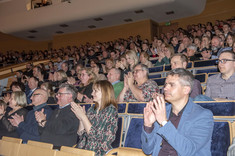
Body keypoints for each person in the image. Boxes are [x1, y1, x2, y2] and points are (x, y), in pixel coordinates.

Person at [141, 68, 214, 156]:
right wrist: (148, 126)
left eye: (171, 85)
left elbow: (188, 151)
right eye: (166, 84)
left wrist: (164, 122)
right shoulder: (162, 111)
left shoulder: (202, 115)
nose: (165, 88)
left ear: (186, 90)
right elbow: (147, 150)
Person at [71, 80, 118, 155]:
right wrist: (81, 118)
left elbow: (96, 137)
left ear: (105, 92)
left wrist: (83, 117)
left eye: (95, 91)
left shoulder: (110, 110)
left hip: (99, 150)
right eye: (93, 90)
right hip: (84, 147)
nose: (92, 93)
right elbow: (80, 133)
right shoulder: (92, 109)